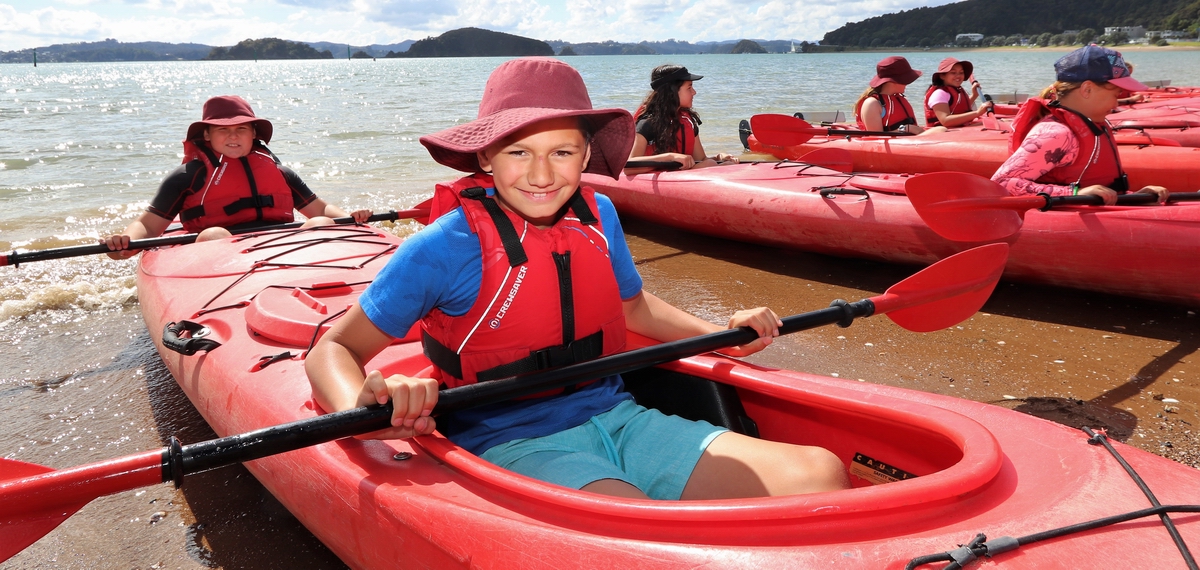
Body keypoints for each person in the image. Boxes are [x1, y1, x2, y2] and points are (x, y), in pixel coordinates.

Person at [305, 57, 850, 501]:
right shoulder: (444, 245)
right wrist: (368, 407)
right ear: (486, 156)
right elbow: (332, 349)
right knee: (629, 515)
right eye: (519, 152)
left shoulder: (598, 215)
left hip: (616, 415)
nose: (542, 176)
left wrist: (724, 335)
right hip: (507, 438)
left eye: (562, 152)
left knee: (818, 473)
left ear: (587, 153)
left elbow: (634, 309)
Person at [102, 95, 371, 259]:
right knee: (215, 234)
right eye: (222, 130)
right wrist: (125, 242)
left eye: (241, 128)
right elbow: (149, 227)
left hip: (281, 248)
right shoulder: (187, 177)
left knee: (322, 222)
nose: (232, 136)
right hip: (219, 259)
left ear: (254, 133)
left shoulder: (279, 172)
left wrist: (352, 219)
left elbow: (320, 208)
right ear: (206, 135)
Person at [992, 45, 1169, 205]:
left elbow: (1102, 192)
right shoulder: (1056, 133)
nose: (1116, 104)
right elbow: (1001, 183)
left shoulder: (1091, 124)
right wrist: (1073, 193)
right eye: (1116, 94)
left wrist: (1136, 197)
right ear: (1087, 89)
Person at [627, 65, 738, 172]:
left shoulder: (688, 121)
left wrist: (718, 158)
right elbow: (629, 167)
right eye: (689, 88)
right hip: (658, 182)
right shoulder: (647, 123)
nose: (694, 92)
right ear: (672, 92)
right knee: (710, 164)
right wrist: (669, 157)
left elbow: (700, 159)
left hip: (682, 177)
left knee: (712, 163)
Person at [854, 56, 927, 134]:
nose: (907, 83)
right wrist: (906, 128)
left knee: (940, 130)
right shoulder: (872, 104)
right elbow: (876, 138)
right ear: (893, 81)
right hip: (893, 144)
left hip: (910, 142)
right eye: (906, 79)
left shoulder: (899, 98)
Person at [923, 57, 993, 128]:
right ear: (942, 76)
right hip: (943, 133)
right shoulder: (939, 94)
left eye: (961, 72)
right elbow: (945, 121)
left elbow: (959, 108)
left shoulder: (957, 90)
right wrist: (977, 113)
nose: (958, 76)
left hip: (959, 128)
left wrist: (974, 95)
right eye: (953, 73)